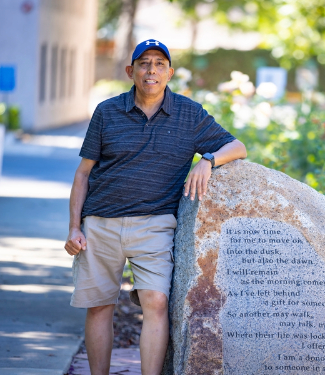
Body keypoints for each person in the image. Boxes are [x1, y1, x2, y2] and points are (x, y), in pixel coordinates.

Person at [64, 39, 246, 375]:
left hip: (155, 224)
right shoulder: (107, 112)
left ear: (170, 73)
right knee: (100, 306)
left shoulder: (189, 114)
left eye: (160, 64)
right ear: (130, 71)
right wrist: (75, 227)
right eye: (144, 63)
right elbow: (83, 173)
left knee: (156, 302)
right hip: (101, 223)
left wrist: (208, 159)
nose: (152, 70)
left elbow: (237, 146)